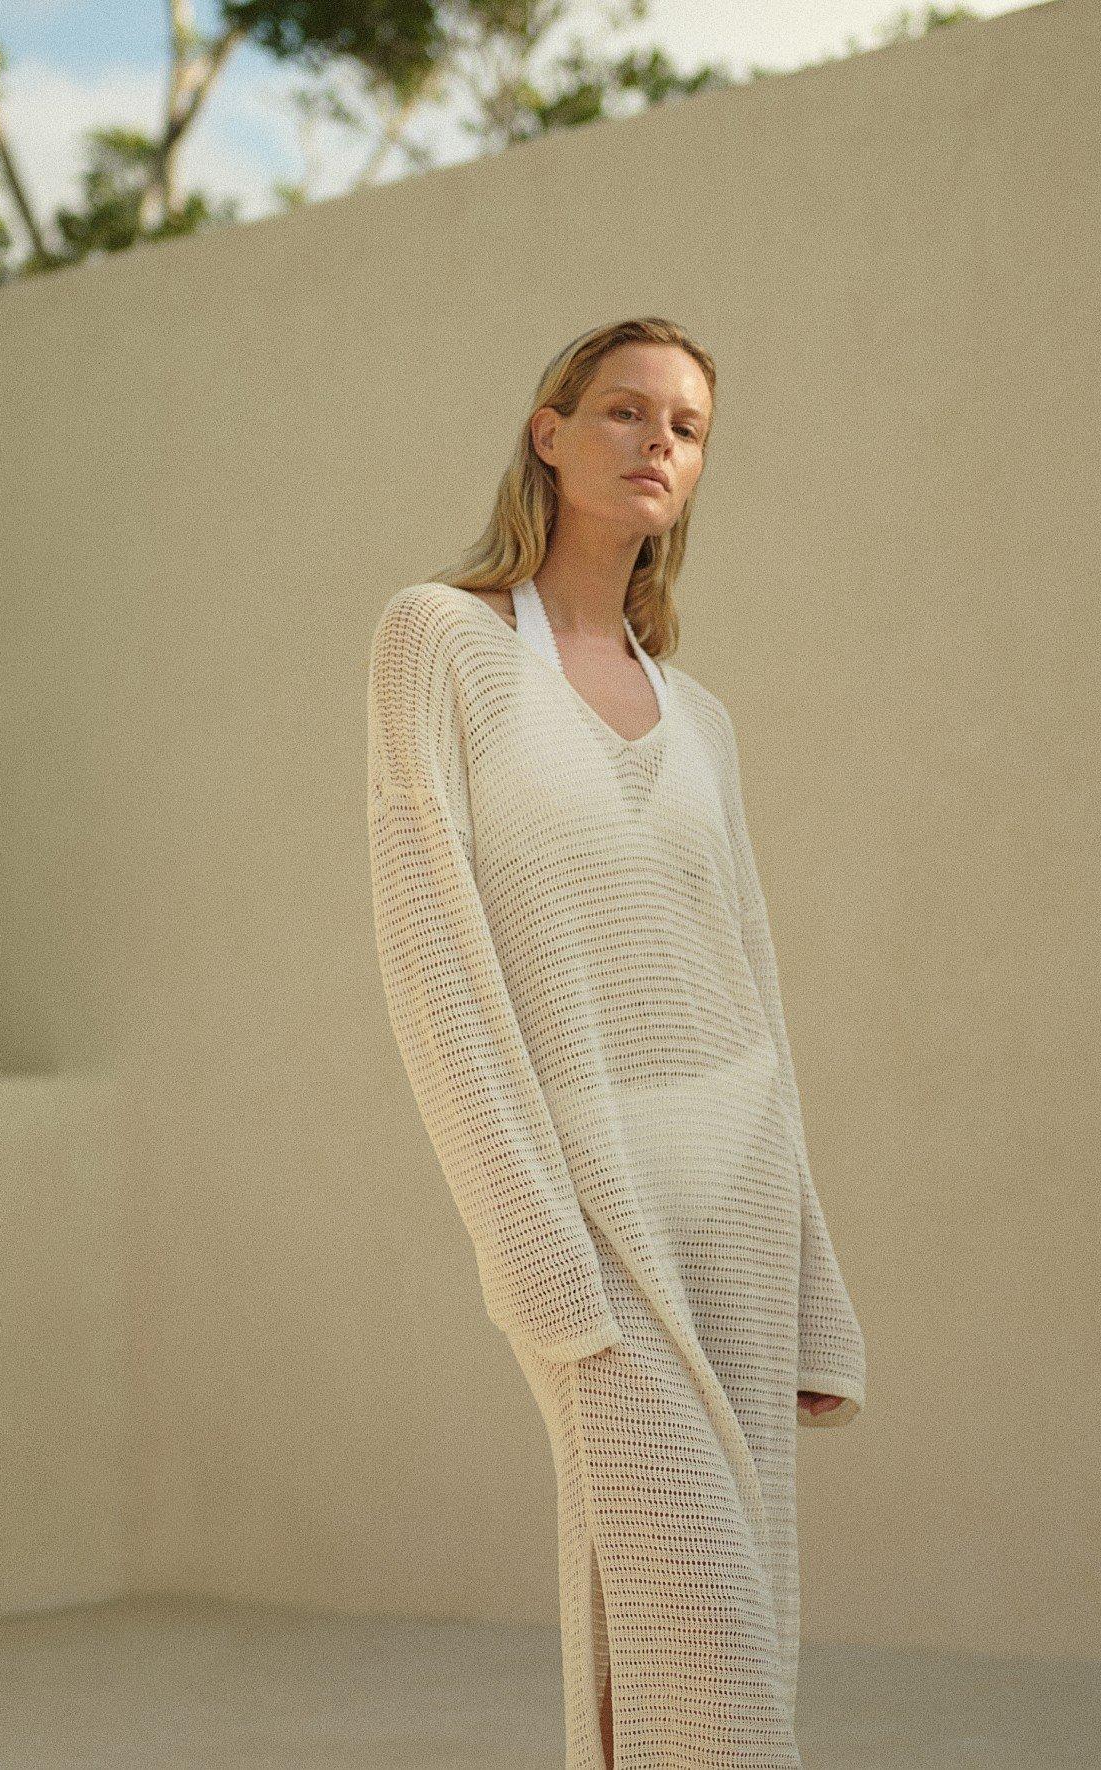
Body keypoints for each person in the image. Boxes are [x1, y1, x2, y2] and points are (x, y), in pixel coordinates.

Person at [365, 315, 866, 1770]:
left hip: (739, 1200)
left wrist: (816, 1281)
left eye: (689, 427)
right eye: (627, 410)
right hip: (588, 1205)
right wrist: (526, 1233)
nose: (659, 442)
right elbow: (432, 954)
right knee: (695, 1613)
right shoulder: (438, 640)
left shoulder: (699, 714)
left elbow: (751, 985)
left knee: (721, 1632)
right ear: (550, 432)